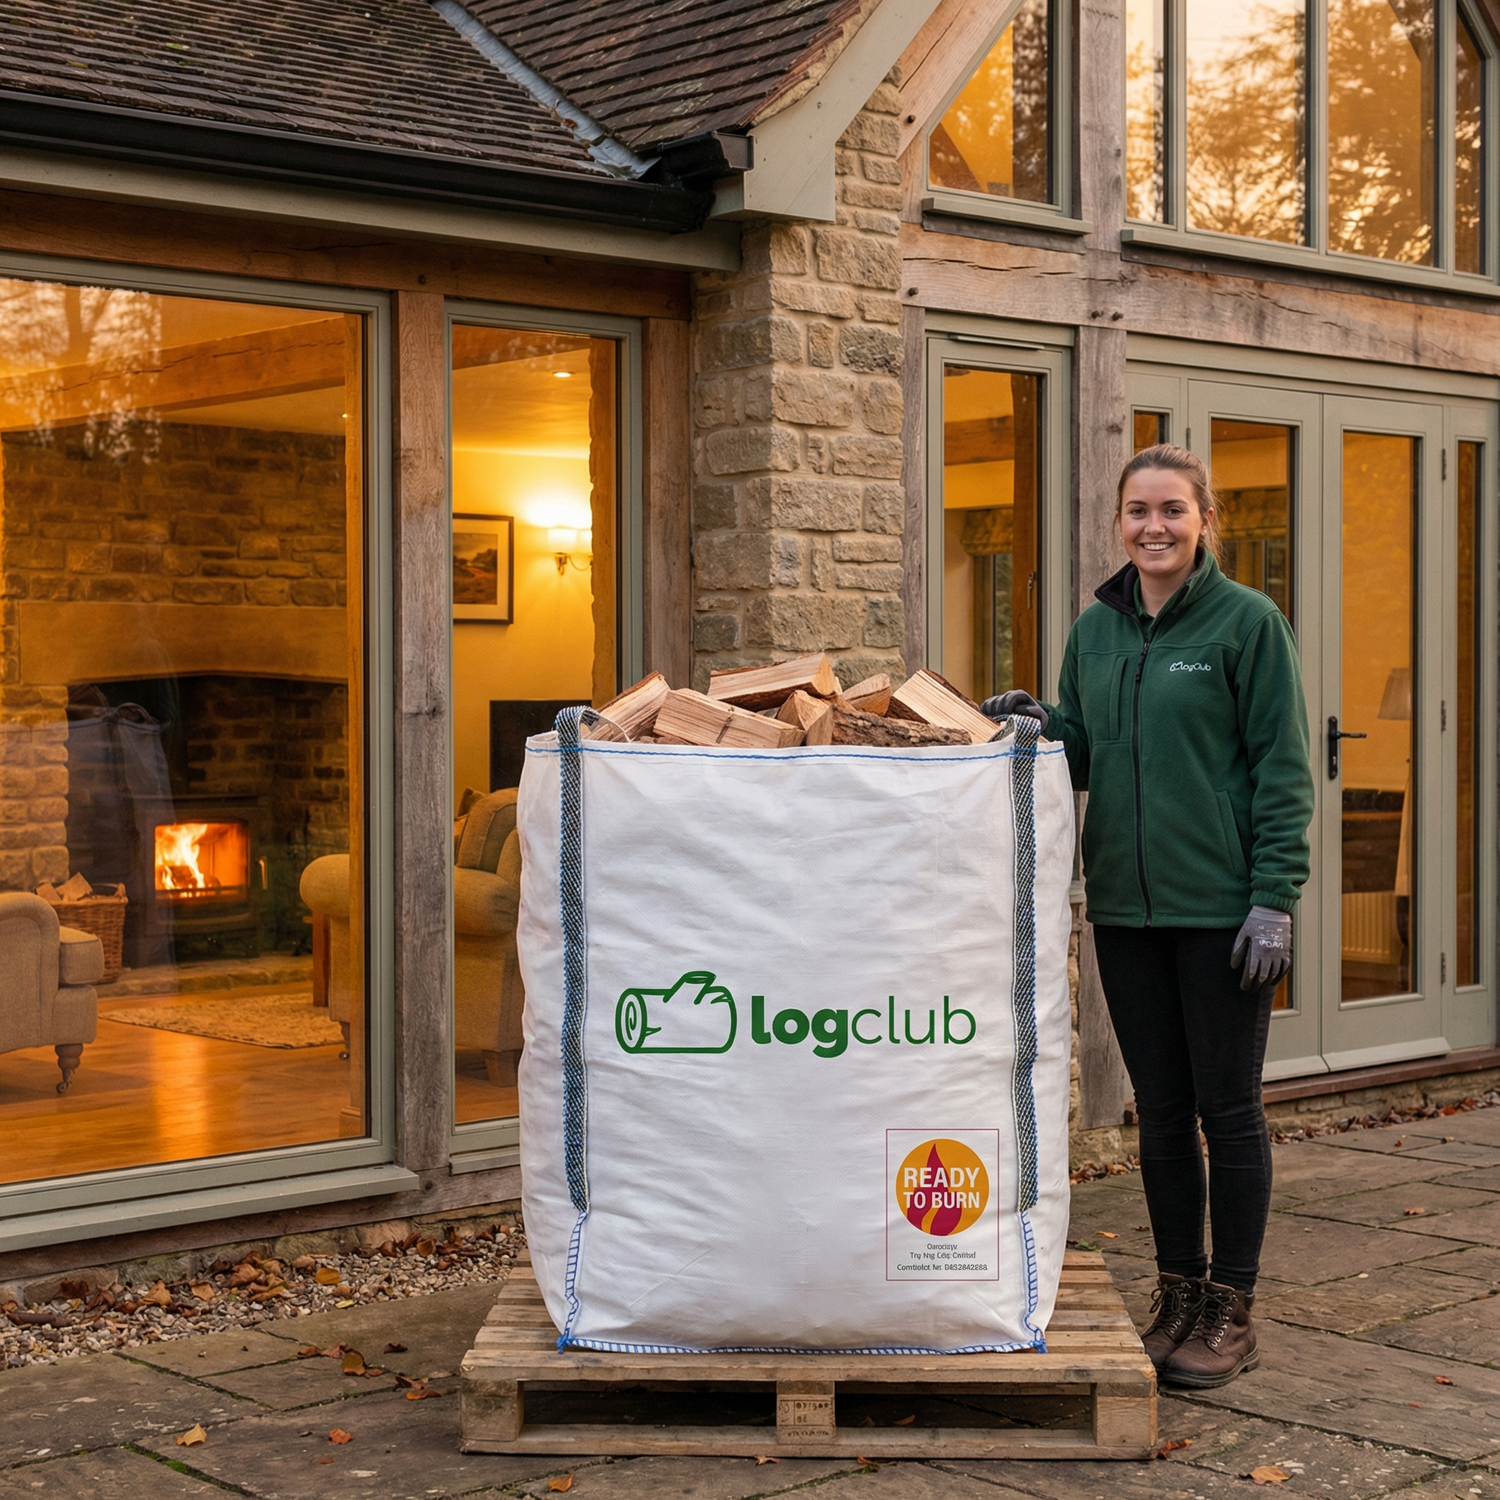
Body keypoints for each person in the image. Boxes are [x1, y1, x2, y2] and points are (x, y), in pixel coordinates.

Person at [984, 444, 1314, 1389]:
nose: (1154, 527)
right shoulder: (1096, 629)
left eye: (1172, 510)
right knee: (1160, 1114)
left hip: (1223, 914)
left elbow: (1284, 771)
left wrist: (1273, 898)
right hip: (1125, 911)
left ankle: (1231, 1309)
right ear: (1118, 522)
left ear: (1204, 518)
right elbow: (1083, 747)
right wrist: (1036, 726)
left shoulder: (1248, 625)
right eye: (1137, 511)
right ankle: (1177, 1292)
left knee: (1229, 1109)